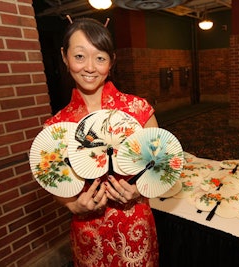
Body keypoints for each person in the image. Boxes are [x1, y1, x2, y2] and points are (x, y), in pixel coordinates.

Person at [44, 18, 159, 266]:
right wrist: (72, 205)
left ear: (111, 61)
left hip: (134, 223)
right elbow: (51, 179)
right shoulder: (56, 126)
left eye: (100, 58)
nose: (90, 67)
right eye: (79, 56)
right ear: (64, 57)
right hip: (89, 231)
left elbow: (161, 164)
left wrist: (139, 190)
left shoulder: (138, 110)